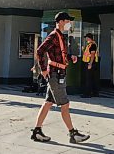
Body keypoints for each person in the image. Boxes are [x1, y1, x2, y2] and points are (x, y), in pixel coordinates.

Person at [31, 12, 90, 143]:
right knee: (65, 104)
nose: (70, 23)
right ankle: (73, 134)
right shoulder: (53, 36)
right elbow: (40, 51)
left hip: (59, 73)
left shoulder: (61, 36)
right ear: (62, 21)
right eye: (68, 21)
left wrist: (70, 57)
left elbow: (59, 54)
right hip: (55, 75)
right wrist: (43, 70)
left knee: (48, 103)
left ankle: (37, 131)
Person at [81, 33, 99, 98]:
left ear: (89, 38)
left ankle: (87, 94)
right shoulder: (89, 45)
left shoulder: (92, 45)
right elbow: (87, 54)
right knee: (93, 78)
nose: (86, 39)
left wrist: (90, 64)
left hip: (90, 63)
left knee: (88, 79)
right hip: (90, 63)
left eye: (86, 37)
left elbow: (92, 55)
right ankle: (95, 93)